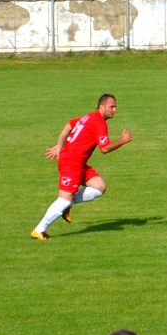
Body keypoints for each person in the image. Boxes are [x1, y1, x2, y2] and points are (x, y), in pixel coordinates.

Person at [31, 94, 132, 240]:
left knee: (99, 187)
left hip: (78, 163)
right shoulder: (99, 123)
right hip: (70, 163)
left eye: (115, 107)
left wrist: (59, 146)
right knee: (64, 199)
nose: (115, 110)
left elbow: (68, 125)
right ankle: (39, 230)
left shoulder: (88, 116)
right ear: (102, 106)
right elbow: (104, 148)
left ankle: (67, 205)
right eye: (112, 106)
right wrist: (122, 140)